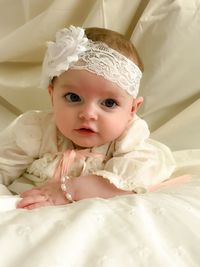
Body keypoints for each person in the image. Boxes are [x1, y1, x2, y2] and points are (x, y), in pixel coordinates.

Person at [0, 25, 175, 209]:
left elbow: (143, 170)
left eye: (109, 103)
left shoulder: (128, 137)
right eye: (73, 97)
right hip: (28, 207)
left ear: (132, 109)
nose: (88, 114)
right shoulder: (38, 129)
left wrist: (72, 189)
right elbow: (4, 165)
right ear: (52, 96)